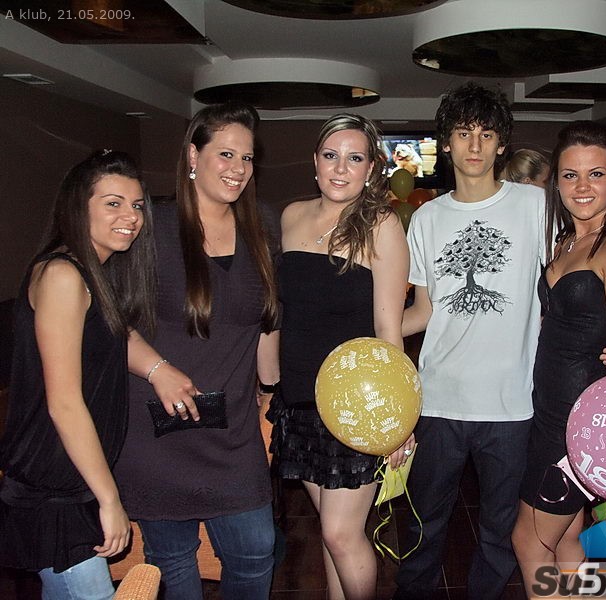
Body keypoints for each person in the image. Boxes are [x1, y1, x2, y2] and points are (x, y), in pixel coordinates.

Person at [113, 102, 280, 599]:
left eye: (246, 158)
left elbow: (266, 324)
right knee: (173, 562)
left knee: (256, 552)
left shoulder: (262, 225)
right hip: (158, 429)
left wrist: (271, 392)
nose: (238, 168)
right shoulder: (150, 227)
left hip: (233, 432)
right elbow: (105, 319)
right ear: (193, 155)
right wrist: (157, 369)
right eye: (225, 154)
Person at [395, 82, 547, 600]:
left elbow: (568, 281)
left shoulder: (535, 206)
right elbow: (424, 310)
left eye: (486, 134)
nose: (475, 145)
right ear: (446, 143)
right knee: (423, 521)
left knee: (500, 531)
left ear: (502, 143)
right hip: (438, 400)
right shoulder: (427, 218)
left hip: (512, 403)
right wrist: (366, 333)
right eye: (463, 133)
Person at [266, 113, 411, 600]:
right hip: (298, 399)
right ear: (315, 162)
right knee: (332, 534)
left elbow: (389, 329)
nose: (341, 168)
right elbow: (280, 312)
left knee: (341, 533)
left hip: (357, 405)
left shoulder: (381, 226)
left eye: (354, 158)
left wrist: (397, 419)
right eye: (331, 156)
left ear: (370, 169)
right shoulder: (290, 216)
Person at [0, 150, 155, 599]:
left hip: (73, 477)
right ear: (77, 207)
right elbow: (64, 403)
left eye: (136, 204)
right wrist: (110, 499)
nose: (131, 216)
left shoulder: (94, 273)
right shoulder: (63, 275)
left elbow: (115, 335)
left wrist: (161, 370)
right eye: (113, 203)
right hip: (55, 485)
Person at [511, 122, 606, 594]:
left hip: (581, 425)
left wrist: (602, 444)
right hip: (548, 413)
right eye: (570, 175)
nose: (583, 187)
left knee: (529, 542)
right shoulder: (566, 241)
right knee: (567, 536)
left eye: (597, 174)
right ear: (557, 183)